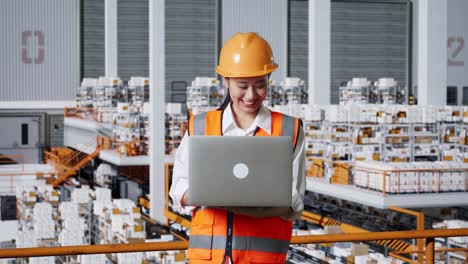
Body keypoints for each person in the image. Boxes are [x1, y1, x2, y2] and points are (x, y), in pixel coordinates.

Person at [169, 32, 306, 264]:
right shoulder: (200, 126)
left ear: (269, 79)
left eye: (260, 85)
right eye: (242, 86)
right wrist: (209, 195)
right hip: (207, 260)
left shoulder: (288, 129)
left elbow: (293, 201)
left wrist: (235, 203)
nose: (251, 95)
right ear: (226, 81)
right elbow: (178, 190)